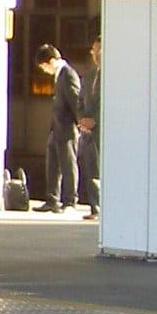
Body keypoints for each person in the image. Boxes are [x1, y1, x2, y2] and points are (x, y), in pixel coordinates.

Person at [36, 43, 82, 212]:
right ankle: (52, 199)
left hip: (67, 128)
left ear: (52, 61)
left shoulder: (68, 74)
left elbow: (75, 100)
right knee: (53, 164)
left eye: (44, 66)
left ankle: (70, 200)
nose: (44, 71)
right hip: (56, 128)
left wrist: (80, 122)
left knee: (68, 165)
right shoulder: (59, 75)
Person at [76, 36, 101, 219]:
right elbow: (80, 100)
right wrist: (82, 119)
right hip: (87, 132)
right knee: (90, 169)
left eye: (100, 50)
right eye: (94, 51)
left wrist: (96, 120)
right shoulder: (90, 74)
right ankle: (95, 208)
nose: (96, 54)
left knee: (104, 170)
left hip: (102, 130)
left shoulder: (115, 75)